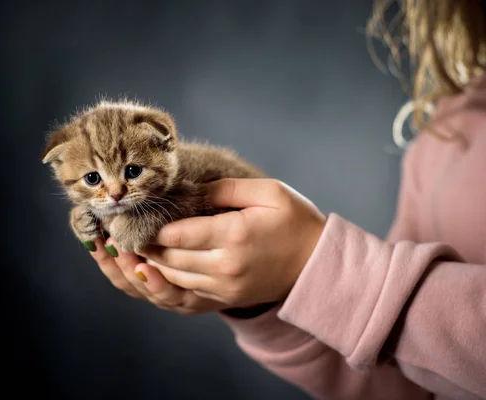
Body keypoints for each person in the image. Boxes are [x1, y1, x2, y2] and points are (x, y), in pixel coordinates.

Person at [87, 1, 486, 399]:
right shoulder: (451, 125)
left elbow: (377, 302)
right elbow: (404, 380)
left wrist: (315, 266)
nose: (116, 191)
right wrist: (267, 297)